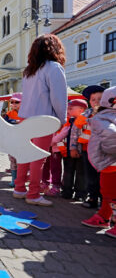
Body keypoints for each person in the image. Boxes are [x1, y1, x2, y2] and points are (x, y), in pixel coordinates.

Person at [13, 34, 68, 207]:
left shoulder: (30, 70)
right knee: (38, 158)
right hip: (44, 118)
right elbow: (59, 97)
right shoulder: (54, 67)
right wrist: (61, 119)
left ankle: (20, 188)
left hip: (26, 116)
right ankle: (34, 194)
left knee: (25, 154)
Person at [81, 86, 116, 238]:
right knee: (109, 193)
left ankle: (105, 217)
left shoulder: (102, 117)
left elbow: (111, 136)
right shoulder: (108, 116)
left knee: (109, 193)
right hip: (109, 162)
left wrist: (111, 149)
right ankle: (103, 216)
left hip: (109, 162)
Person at [71, 85, 105, 208]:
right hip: (87, 151)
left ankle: (105, 201)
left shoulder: (110, 113)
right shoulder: (85, 115)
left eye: (100, 99)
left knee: (104, 177)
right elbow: (75, 131)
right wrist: (73, 147)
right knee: (91, 176)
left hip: (104, 152)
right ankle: (93, 198)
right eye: (93, 99)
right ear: (89, 101)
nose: (96, 102)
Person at [59, 99, 87, 200]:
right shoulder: (69, 121)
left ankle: (80, 194)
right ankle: (66, 191)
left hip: (82, 152)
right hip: (68, 151)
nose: (68, 110)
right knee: (67, 172)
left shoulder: (86, 121)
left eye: (71, 108)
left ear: (81, 110)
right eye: (68, 108)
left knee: (81, 174)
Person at [3, 93, 23, 187]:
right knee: (12, 160)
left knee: (22, 161)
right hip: (12, 140)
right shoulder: (9, 114)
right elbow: (4, 125)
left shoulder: (26, 113)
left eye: (17, 102)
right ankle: (14, 180)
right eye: (12, 102)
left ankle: (21, 180)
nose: (14, 104)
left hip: (23, 141)